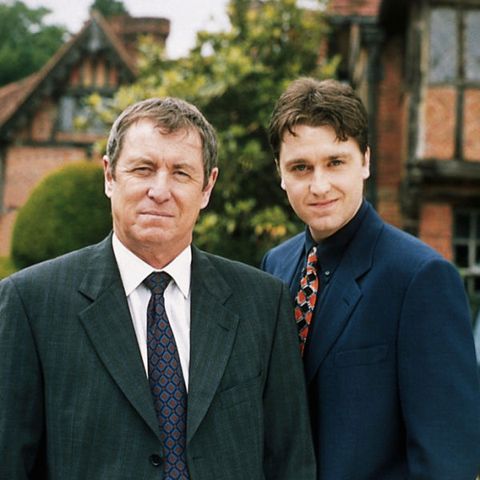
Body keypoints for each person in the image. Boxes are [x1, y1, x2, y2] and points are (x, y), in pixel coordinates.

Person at [0, 97, 316, 480]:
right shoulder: (31, 304)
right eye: (143, 169)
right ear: (109, 176)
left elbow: (291, 461)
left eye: (181, 173)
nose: (160, 190)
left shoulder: (263, 304)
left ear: (207, 187)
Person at [261, 77, 480, 479]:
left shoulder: (420, 278)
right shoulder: (275, 265)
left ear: (365, 161)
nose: (319, 185)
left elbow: (448, 459)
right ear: (281, 173)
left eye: (335, 162)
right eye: (301, 167)